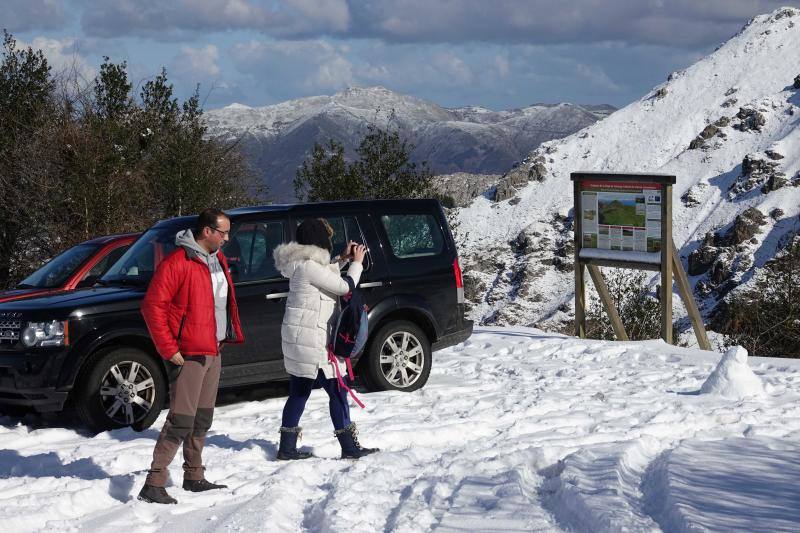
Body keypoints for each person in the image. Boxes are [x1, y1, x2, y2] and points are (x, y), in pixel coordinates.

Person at [137, 208, 244, 504]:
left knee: (202, 418)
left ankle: (194, 475)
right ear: (206, 232)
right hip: (189, 353)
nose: (227, 238)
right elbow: (152, 307)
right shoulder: (178, 263)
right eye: (223, 232)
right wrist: (169, 349)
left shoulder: (217, 260)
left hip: (213, 349)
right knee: (181, 419)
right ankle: (154, 482)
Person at [272, 218, 379, 460]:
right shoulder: (309, 267)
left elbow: (325, 274)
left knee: (299, 391)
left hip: (299, 338)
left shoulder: (302, 263)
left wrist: (342, 259)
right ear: (320, 242)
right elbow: (344, 287)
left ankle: (287, 447)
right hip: (313, 340)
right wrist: (357, 263)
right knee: (338, 390)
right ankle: (349, 447)